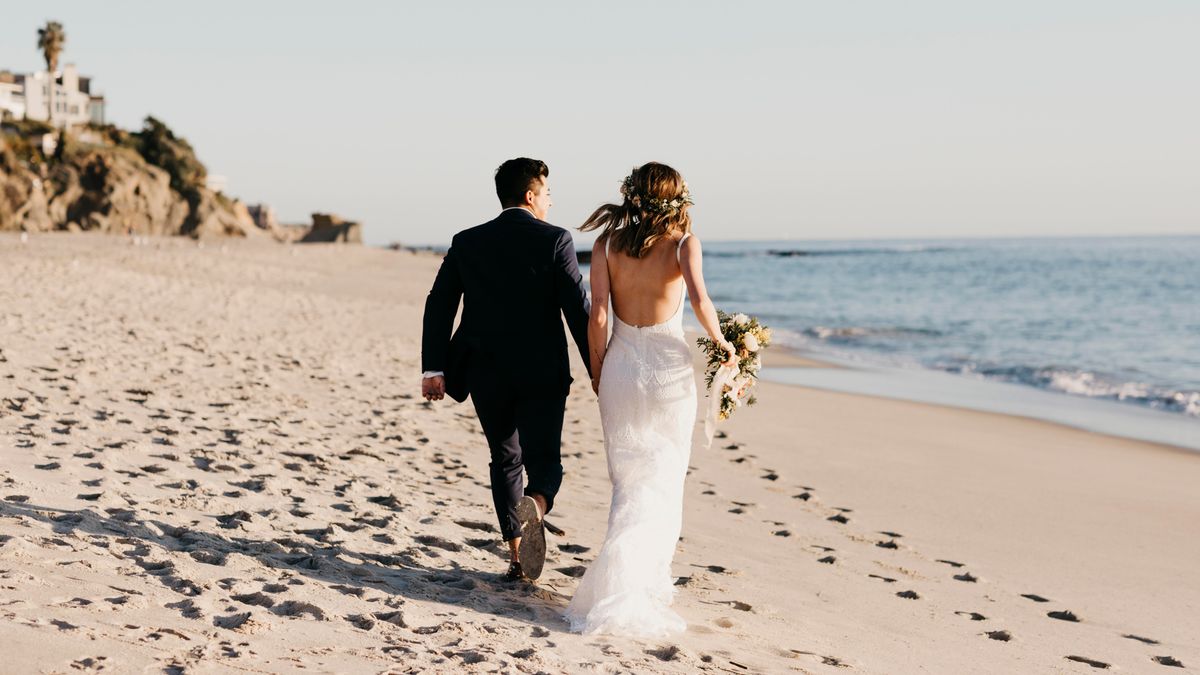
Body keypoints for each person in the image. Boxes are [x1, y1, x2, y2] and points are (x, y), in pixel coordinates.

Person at [564, 162, 736, 636]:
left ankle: (623, 581)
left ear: (632, 197)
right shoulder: (684, 245)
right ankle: (643, 585)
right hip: (667, 372)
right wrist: (723, 342)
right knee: (663, 476)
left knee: (628, 482)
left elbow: (597, 314)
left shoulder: (605, 245)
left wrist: (598, 371)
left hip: (620, 367)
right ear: (677, 199)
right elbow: (700, 300)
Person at [421, 158, 591, 581]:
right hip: (542, 371)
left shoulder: (468, 241)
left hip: (485, 370)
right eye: (548, 193)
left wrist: (433, 368)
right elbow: (577, 310)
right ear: (531, 196)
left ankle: (516, 554)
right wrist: (598, 368)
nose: (550, 201)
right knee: (545, 462)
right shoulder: (555, 240)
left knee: (504, 458)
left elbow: (439, 303)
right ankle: (537, 503)